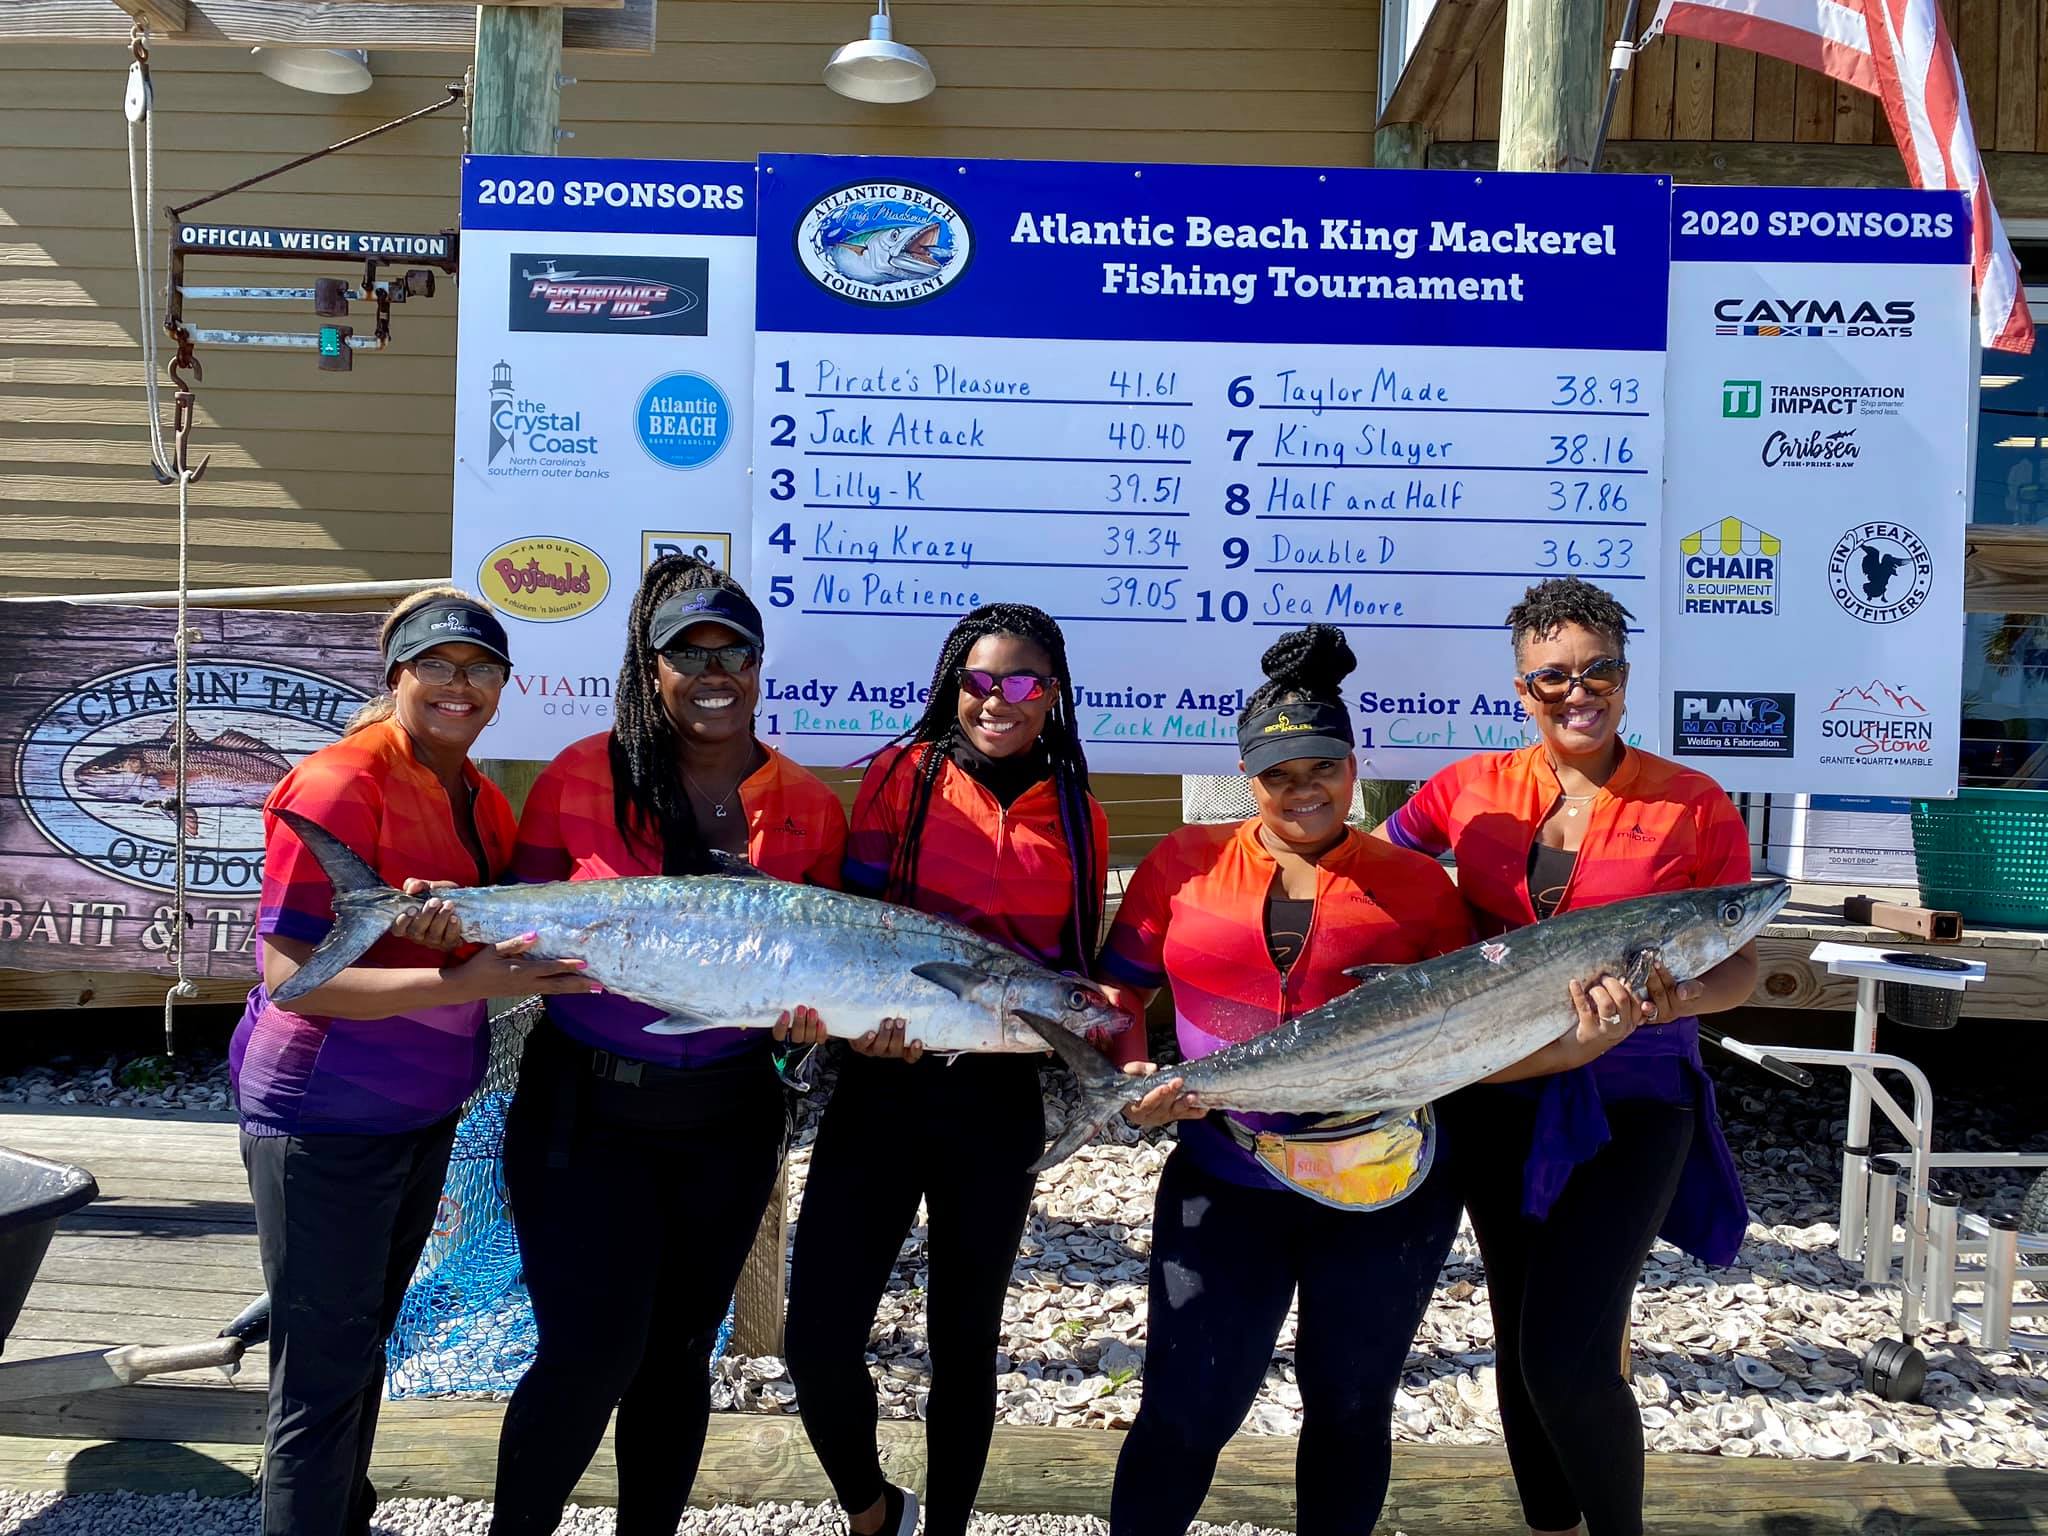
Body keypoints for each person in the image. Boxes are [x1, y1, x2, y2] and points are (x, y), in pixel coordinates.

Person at [1377, 576, 1759, 1536]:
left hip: (1634, 1102)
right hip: (1494, 1090)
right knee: (1517, 1341)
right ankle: (1551, 1527)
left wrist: (1678, 1000)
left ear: (1627, 681)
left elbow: (1743, 965)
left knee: (1568, 1350)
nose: (1576, 693)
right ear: (1520, 689)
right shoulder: (1467, 789)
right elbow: (1373, 871)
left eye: (1599, 672)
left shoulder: (1692, 802)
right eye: (1552, 679)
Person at [488, 555, 848, 1536]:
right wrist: (466, 942)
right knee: (588, 1354)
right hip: (583, 1115)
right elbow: (518, 929)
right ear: (650, 671)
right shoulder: (575, 777)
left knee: (681, 1348)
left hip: (725, 1122)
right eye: (685, 653)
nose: (712, 669)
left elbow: (806, 997)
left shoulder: (808, 805)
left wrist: (803, 1034)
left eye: (732, 648)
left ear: (760, 663)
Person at [1093, 626, 1473, 1536]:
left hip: (1386, 1187)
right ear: (1246, 777)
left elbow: (1471, 1027)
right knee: (1186, 1407)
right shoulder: (1183, 862)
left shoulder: (1418, 886)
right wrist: (1125, 1071)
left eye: (1322, 768)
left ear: (1353, 767)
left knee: (1348, 1406)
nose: (1302, 790)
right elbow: (1118, 992)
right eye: (1278, 774)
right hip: (1224, 1179)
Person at [233, 588, 595, 1536]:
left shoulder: (475, 793)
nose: (459, 686)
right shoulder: (338, 784)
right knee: (316, 1381)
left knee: (362, 1350)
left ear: (505, 686)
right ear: (395, 673)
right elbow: (292, 983)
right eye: (436, 665)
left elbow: (489, 938)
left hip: (416, 1111)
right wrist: (462, 977)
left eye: (481, 669)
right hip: (324, 1115)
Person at [783, 602, 1108, 1536]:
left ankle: (951, 1528)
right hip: (883, 1090)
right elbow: (852, 929)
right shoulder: (900, 778)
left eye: (1020, 683)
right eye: (978, 680)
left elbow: (1070, 963)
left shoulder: (1077, 810)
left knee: (964, 1345)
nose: (995, 701)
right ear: (951, 685)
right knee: (818, 1339)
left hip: (994, 1105)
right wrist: (847, 1030)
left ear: (1052, 695)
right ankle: (871, 1509)